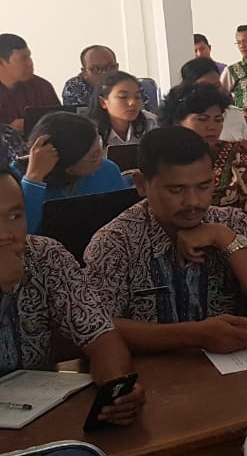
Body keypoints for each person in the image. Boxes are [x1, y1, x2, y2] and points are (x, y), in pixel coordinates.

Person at [84, 127, 247, 353]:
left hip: (240, 372)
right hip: (158, 378)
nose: (193, 202)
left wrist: (222, 237)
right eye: (176, 190)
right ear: (141, 184)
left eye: (204, 186)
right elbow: (94, 326)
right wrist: (193, 335)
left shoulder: (233, 223)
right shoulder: (116, 241)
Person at [0, 168, 145, 426]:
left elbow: (101, 336)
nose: (5, 234)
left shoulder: (45, 257)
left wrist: (117, 390)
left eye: (15, 215)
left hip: (38, 423)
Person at [159, 82, 247, 212]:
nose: (212, 126)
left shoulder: (235, 153)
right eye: (202, 119)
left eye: (218, 120)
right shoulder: (162, 157)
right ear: (177, 121)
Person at [13, 112, 127, 234]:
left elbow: (124, 221)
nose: (100, 159)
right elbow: (18, 234)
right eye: (94, 156)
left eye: (99, 147)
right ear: (66, 165)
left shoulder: (107, 171)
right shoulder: (11, 179)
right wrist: (33, 179)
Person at [61, 45, 155, 112]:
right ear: (84, 72)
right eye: (96, 69)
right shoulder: (74, 87)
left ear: (117, 67)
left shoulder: (130, 84)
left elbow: (143, 113)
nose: (104, 74)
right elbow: (78, 121)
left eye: (110, 67)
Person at [0, 34, 60, 131]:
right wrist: (8, 131)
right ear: (2, 63)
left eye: (29, 57)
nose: (30, 63)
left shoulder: (41, 87)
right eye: (23, 59)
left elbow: (61, 122)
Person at [88, 71, 158, 147]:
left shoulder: (151, 123)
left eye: (137, 97)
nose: (132, 102)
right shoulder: (90, 131)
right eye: (123, 97)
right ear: (103, 102)